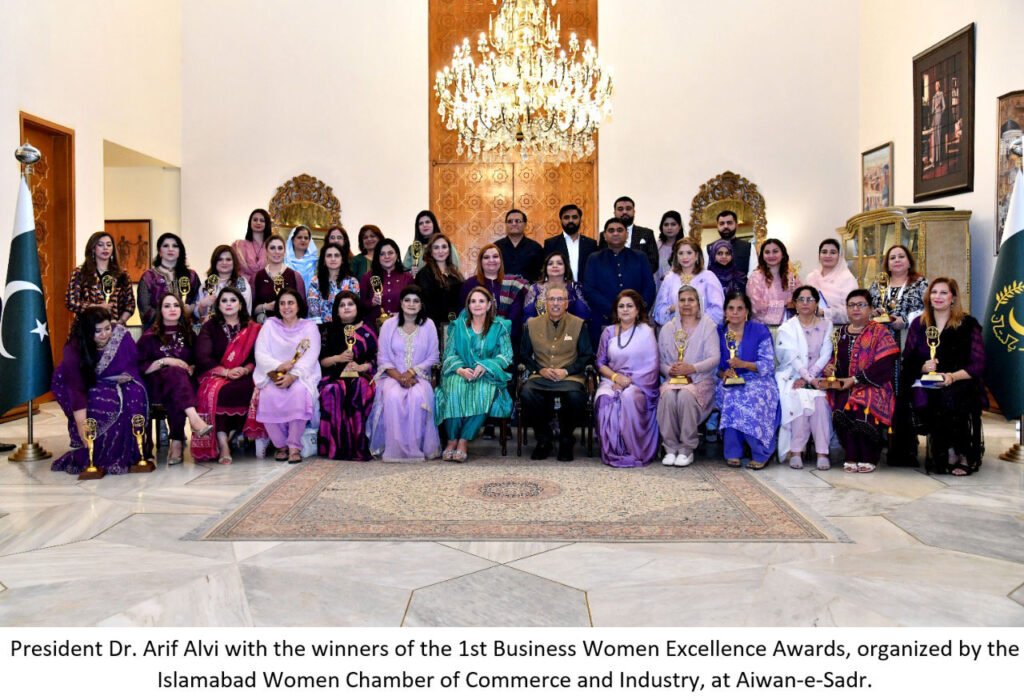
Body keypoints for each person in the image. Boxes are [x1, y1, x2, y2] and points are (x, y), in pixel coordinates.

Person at [901, 278, 985, 475]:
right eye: (934, 292)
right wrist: (922, 367)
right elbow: (908, 359)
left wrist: (952, 377)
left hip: (960, 379)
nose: (937, 297)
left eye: (943, 293)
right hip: (925, 380)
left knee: (951, 396)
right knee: (922, 397)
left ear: (953, 298)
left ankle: (961, 452)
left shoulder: (967, 324)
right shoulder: (919, 324)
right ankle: (945, 450)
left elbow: (978, 363)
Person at [50, 307, 149, 475]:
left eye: (107, 328)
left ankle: (129, 453)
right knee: (102, 403)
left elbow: (133, 364)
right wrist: (81, 424)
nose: (104, 334)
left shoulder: (121, 336)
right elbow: (75, 386)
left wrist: (125, 376)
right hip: (87, 384)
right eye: (98, 331)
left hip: (120, 381)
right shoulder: (75, 347)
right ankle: (95, 454)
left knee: (134, 395)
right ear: (88, 331)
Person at [816, 289, 898, 474]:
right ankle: (851, 455)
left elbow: (885, 365)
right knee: (841, 406)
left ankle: (869, 456)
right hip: (844, 385)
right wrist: (830, 368)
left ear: (870, 309)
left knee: (861, 403)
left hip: (874, 385)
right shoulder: (841, 333)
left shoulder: (880, 332)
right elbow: (835, 360)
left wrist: (855, 379)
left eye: (861, 305)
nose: (856, 309)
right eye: (851, 305)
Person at [435, 287, 513, 462]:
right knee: (454, 388)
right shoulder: (458, 326)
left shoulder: (500, 327)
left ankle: (464, 440)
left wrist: (486, 365)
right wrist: (460, 370)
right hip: (459, 371)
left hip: (487, 374)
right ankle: (452, 440)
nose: (477, 305)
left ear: (489, 305)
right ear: (468, 305)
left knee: (483, 391)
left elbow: (506, 355)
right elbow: (449, 354)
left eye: (481, 301)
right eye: (473, 301)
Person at [519, 283, 595, 461]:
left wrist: (566, 371)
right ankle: (543, 439)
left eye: (560, 299)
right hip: (540, 375)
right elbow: (524, 355)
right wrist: (540, 369)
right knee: (527, 393)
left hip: (570, 377)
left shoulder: (578, 324)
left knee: (575, 396)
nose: (555, 303)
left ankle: (566, 438)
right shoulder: (532, 324)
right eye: (552, 299)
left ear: (566, 303)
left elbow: (586, 356)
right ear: (545, 303)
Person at [868, 244, 928, 466]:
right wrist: (875, 313)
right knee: (883, 390)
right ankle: (882, 439)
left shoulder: (921, 284)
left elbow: (927, 311)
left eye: (901, 256)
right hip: (881, 346)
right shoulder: (877, 285)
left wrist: (906, 321)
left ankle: (906, 445)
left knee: (904, 392)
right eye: (892, 257)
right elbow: (869, 309)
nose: (897, 260)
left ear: (909, 260)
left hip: (908, 344)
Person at [137, 293, 214, 465]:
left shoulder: (188, 334)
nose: (172, 309)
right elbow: (140, 367)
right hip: (156, 386)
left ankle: (178, 442)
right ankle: (185, 430)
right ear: (160, 310)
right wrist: (166, 361)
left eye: (176, 305)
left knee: (178, 380)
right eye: (167, 306)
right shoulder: (149, 337)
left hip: (183, 386)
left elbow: (198, 360)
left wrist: (192, 367)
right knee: (175, 373)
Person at [367, 286, 441, 461]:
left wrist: (411, 372)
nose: (411, 304)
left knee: (417, 397)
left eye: (416, 301)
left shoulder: (428, 325)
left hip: (420, 376)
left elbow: (433, 356)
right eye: (407, 300)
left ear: (421, 305)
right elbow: (383, 357)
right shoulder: (388, 325)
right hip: (392, 376)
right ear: (401, 303)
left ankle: (416, 446)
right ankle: (395, 448)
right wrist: (400, 377)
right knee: (393, 396)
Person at [192, 286, 263, 464]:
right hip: (216, 374)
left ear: (240, 305)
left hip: (245, 374)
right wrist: (226, 372)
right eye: (224, 301)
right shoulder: (210, 327)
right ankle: (223, 444)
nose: (228, 304)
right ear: (218, 306)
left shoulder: (252, 327)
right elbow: (202, 356)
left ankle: (229, 437)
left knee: (249, 390)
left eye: (233, 300)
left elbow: (258, 356)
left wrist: (245, 369)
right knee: (219, 393)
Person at [254, 288, 321, 463]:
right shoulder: (270, 325)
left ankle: (294, 447)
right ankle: (280, 445)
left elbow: (311, 355)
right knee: (268, 394)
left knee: (298, 393)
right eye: (282, 303)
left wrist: (293, 376)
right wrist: (278, 367)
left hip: (302, 375)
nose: (286, 307)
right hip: (273, 373)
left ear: (298, 306)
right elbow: (260, 353)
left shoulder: (309, 327)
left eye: (290, 303)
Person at [656, 285, 720, 467]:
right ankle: (670, 448)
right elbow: (660, 361)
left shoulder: (708, 326)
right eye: (682, 300)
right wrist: (670, 371)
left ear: (698, 303)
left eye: (691, 300)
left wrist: (692, 368)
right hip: (673, 380)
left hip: (701, 379)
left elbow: (714, 358)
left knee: (685, 395)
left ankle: (686, 449)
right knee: (668, 396)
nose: (686, 304)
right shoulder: (668, 328)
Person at [716, 290, 780, 469]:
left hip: (759, 379)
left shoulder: (760, 331)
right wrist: (723, 374)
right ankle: (733, 452)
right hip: (728, 379)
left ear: (747, 311)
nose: (735, 312)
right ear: (725, 311)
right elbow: (714, 365)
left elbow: (767, 364)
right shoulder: (718, 332)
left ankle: (760, 452)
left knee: (752, 397)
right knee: (731, 395)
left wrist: (743, 364)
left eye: (740, 308)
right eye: (731, 308)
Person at [594, 290, 659, 467]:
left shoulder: (646, 332)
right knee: (604, 398)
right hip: (612, 379)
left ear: (637, 310)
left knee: (628, 396)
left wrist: (627, 382)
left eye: (629, 306)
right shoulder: (608, 332)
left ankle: (633, 450)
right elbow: (600, 363)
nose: (625, 309)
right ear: (616, 310)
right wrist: (616, 377)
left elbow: (651, 367)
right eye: (621, 306)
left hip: (639, 383)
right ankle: (613, 451)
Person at [775, 286, 834, 470]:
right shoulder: (787, 328)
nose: (805, 303)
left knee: (820, 402)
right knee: (798, 398)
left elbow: (826, 353)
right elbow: (791, 358)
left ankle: (822, 453)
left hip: (819, 376)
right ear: (795, 303)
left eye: (810, 299)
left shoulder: (826, 325)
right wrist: (808, 379)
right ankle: (796, 451)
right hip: (793, 375)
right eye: (801, 299)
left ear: (817, 303)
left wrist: (813, 377)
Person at [317, 291, 377, 461]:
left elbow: (377, 358)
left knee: (359, 387)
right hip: (335, 376)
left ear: (357, 307)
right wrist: (339, 358)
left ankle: (358, 445)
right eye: (342, 305)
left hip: (363, 376)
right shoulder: (329, 330)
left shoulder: (368, 329)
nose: (346, 308)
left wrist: (362, 367)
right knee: (332, 390)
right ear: (336, 311)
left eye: (350, 304)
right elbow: (322, 361)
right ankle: (335, 447)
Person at [583, 218, 656, 343]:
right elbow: (589, 289)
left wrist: (637, 311)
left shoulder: (640, 257)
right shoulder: (594, 259)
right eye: (611, 230)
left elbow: (649, 287)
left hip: (636, 320)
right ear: (605, 235)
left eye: (620, 230)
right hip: (603, 319)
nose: (615, 233)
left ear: (626, 234)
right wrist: (613, 311)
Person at [65, 231, 135, 324]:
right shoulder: (80, 273)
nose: (105, 248)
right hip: (88, 326)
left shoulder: (122, 274)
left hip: (114, 326)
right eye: (101, 245)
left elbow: (130, 304)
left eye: (109, 245)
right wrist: (96, 307)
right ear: (93, 248)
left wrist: (120, 322)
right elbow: (71, 302)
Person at [652, 236, 724, 325]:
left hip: (703, 329)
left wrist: (696, 319)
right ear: (676, 256)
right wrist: (673, 308)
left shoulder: (708, 277)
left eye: (689, 253)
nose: (685, 257)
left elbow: (718, 310)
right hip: (675, 329)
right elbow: (658, 311)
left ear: (696, 255)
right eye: (681, 253)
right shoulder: (670, 278)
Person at [137, 233, 201, 330]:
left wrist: (190, 309)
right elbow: (145, 310)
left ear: (180, 251)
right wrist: (169, 316)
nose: (170, 249)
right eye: (166, 246)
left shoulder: (191, 276)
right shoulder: (148, 277)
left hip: (186, 330)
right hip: (156, 331)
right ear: (160, 251)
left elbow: (198, 300)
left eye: (175, 246)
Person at [415, 232, 464, 337]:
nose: (441, 251)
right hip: (433, 328)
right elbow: (425, 304)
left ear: (449, 250)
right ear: (431, 251)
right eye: (436, 247)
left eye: (444, 247)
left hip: (455, 325)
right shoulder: (424, 274)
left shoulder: (455, 273)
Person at [360, 237, 414, 327]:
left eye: (390, 253)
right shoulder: (367, 277)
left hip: (401, 326)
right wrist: (372, 302)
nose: (387, 257)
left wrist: (401, 314)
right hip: (373, 328)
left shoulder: (407, 277)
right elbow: (360, 306)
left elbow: (415, 304)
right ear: (377, 257)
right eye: (382, 254)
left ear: (397, 254)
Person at [522, 251, 590, 323]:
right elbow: (527, 317)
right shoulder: (534, 288)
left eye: (559, 263)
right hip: (539, 328)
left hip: (571, 328)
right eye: (550, 264)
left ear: (566, 267)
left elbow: (584, 315)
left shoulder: (575, 287)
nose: (555, 266)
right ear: (545, 268)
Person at [194, 245, 253, 327]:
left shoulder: (242, 284)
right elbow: (199, 316)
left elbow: (246, 311)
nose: (224, 263)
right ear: (214, 262)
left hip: (235, 328)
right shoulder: (206, 284)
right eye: (220, 259)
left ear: (234, 262)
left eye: (228, 259)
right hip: (208, 329)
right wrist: (202, 305)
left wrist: (216, 319)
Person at [746, 238, 800, 327]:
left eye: (775, 251)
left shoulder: (792, 277)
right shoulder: (755, 277)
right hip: (761, 328)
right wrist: (785, 304)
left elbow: (800, 301)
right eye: (767, 252)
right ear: (762, 256)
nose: (771, 255)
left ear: (783, 254)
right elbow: (755, 307)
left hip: (790, 327)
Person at [252, 234, 306, 322]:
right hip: (264, 326)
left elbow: (303, 308)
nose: (276, 251)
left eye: (280, 248)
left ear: (284, 252)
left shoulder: (295, 276)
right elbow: (251, 309)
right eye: (272, 248)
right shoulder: (257, 276)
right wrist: (266, 307)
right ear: (266, 251)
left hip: (290, 327)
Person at [598, 196, 659, 273]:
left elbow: (653, 262)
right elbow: (601, 261)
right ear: (614, 213)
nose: (624, 212)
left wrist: (635, 275)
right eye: (620, 209)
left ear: (634, 212)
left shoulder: (646, 233)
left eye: (628, 208)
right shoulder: (605, 235)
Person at [543, 203, 598, 285]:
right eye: (566, 217)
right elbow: (547, 270)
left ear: (580, 219)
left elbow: (595, 270)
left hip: (586, 290)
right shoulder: (551, 243)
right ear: (561, 220)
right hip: (560, 289)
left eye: (574, 217)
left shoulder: (591, 244)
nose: (570, 221)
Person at [806, 238, 857, 324]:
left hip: (837, 328)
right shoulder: (811, 278)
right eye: (824, 252)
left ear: (839, 256)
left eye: (833, 252)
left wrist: (824, 312)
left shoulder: (847, 279)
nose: (828, 255)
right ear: (819, 256)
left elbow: (853, 311)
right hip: (811, 326)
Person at [307, 243, 359, 324]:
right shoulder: (315, 281)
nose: (333, 259)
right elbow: (313, 308)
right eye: (329, 256)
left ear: (342, 260)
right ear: (324, 260)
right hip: (322, 327)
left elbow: (356, 308)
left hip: (347, 326)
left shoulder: (352, 282)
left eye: (337, 255)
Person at [494, 208, 544, 282]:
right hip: (501, 288)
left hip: (528, 288)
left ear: (525, 224)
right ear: (506, 225)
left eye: (518, 221)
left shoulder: (536, 248)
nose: (514, 224)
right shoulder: (496, 247)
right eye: (510, 221)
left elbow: (541, 275)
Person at [404, 210, 460, 274]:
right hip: (419, 280)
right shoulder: (413, 249)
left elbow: (455, 267)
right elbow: (404, 272)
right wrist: (410, 272)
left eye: (427, 222)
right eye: (421, 223)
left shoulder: (445, 245)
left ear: (434, 224)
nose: (424, 225)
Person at [705, 210, 752, 274]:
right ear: (717, 226)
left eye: (729, 223)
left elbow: (753, 274)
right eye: (722, 223)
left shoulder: (748, 247)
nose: (725, 226)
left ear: (736, 225)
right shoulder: (708, 248)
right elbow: (705, 275)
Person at [232, 208, 270, 284]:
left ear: (267, 224)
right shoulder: (238, 246)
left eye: (262, 220)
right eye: (255, 220)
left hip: (266, 286)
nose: (258, 222)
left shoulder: (272, 247)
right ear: (250, 222)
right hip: (242, 287)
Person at [285, 225, 319, 292]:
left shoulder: (315, 262)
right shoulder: (285, 260)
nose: (303, 240)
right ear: (292, 239)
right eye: (299, 237)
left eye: (306, 238)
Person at [655, 210, 684, 288]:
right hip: (658, 288)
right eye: (666, 224)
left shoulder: (685, 246)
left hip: (679, 288)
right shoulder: (656, 246)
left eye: (673, 224)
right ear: (661, 227)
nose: (669, 228)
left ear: (679, 227)